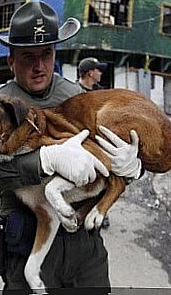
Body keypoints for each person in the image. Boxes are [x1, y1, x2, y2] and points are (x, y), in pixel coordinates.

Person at [0, 0, 143, 293]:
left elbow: (105, 161)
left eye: (46, 54)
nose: (39, 66)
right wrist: (42, 161)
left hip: (84, 247)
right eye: (28, 57)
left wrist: (130, 167)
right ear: (11, 60)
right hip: (28, 243)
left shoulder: (77, 97)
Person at [77, 57, 111, 229]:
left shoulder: (101, 93)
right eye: (98, 70)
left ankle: (101, 210)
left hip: (99, 141)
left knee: (105, 176)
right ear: (90, 73)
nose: (101, 73)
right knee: (85, 178)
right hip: (82, 142)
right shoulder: (74, 92)